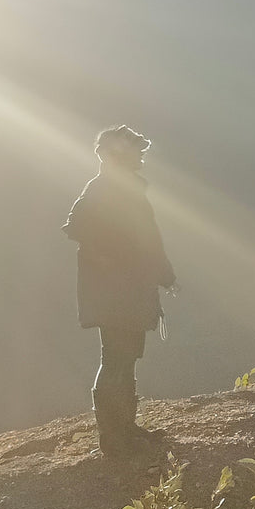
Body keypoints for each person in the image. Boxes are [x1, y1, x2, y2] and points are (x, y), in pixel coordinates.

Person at [63, 125, 176, 457]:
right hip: (118, 291)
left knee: (123, 358)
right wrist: (118, 261)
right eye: (136, 151)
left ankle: (123, 429)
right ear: (118, 156)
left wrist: (162, 275)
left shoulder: (114, 188)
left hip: (123, 288)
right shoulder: (105, 189)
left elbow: (144, 239)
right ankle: (114, 437)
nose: (140, 157)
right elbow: (78, 227)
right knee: (117, 359)